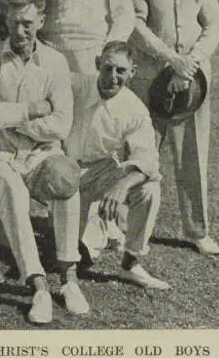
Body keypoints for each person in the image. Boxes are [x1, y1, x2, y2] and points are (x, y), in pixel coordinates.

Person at [0, 0, 88, 325]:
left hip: (39, 154)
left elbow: (61, 124)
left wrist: (12, 120)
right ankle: (37, 284)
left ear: (41, 22)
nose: (20, 31)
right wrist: (30, 112)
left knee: (67, 179)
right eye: (14, 22)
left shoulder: (55, 62)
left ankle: (68, 277)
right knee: (14, 191)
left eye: (28, 23)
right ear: (5, 21)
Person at [130, 0, 219, 255]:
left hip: (193, 83)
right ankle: (126, 226)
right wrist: (171, 60)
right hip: (152, 79)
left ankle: (197, 231)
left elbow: (212, 25)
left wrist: (191, 64)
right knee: (141, 151)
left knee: (192, 155)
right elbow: (136, 26)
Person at [68, 41, 169, 289]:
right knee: (74, 256)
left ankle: (130, 264)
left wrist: (123, 185)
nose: (113, 77)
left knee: (149, 188)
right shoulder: (75, 86)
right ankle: (101, 230)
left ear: (132, 72)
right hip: (63, 170)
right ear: (97, 64)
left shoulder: (135, 109)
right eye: (108, 68)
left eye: (121, 71)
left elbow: (148, 160)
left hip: (101, 170)